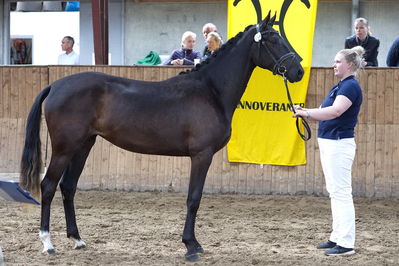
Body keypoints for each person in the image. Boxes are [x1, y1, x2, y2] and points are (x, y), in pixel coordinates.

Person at [293, 46, 365, 256]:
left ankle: (346, 243)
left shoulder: (350, 86)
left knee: (341, 192)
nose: (334, 65)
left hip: (339, 144)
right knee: (335, 192)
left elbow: (335, 111)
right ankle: (337, 237)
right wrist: (304, 113)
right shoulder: (341, 86)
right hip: (331, 143)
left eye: (337, 62)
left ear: (349, 64)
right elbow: (324, 113)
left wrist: (307, 112)